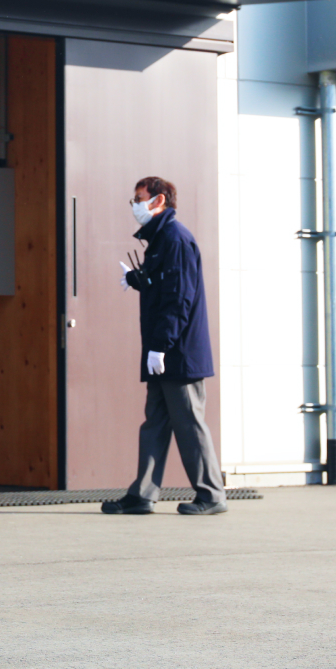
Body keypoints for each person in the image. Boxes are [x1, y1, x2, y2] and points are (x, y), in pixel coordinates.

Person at [102, 176, 228, 516]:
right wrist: (139, 280)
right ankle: (142, 494)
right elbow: (163, 286)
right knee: (155, 422)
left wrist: (160, 346)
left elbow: (179, 299)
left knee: (189, 423)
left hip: (178, 354)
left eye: (138, 199)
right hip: (163, 353)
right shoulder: (160, 240)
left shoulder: (174, 238)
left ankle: (212, 495)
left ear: (158, 201)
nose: (134, 206)